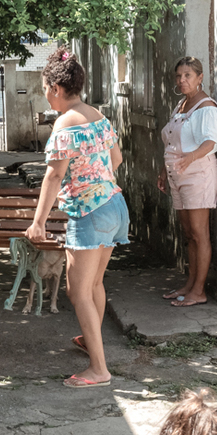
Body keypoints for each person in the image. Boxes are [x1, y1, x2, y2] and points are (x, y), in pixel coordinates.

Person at [26, 47, 129, 388]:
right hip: (115, 206)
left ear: (56, 88)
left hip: (90, 213)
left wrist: (38, 222)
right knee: (95, 283)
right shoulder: (99, 116)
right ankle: (91, 339)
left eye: (45, 90)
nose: (47, 97)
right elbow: (116, 161)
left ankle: (99, 369)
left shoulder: (64, 123)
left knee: (78, 292)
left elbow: (54, 176)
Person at [157, 57, 217, 308]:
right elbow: (172, 143)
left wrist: (189, 159)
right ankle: (189, 284)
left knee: (199, 233)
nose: (182, 80)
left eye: (188, 76)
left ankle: (199, 291)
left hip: (198, 175)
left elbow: (210, 143)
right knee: (187, 234)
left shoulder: (207, 107)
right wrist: (165, 170)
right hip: (178, 175)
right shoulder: (181, 105)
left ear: (200, 77)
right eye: (178, 76)